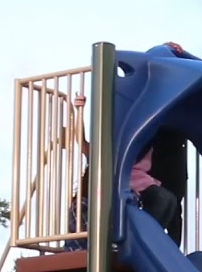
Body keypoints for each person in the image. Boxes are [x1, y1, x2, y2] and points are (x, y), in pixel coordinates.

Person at [66, 93, 184, 249]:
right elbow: (82, 142)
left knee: (168, 200)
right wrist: (79, 110)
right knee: (159, 200)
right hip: (121, 186)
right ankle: (138, 242)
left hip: (139, 187)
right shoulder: (109, 154)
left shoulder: (149, 143)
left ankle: (148, 241)